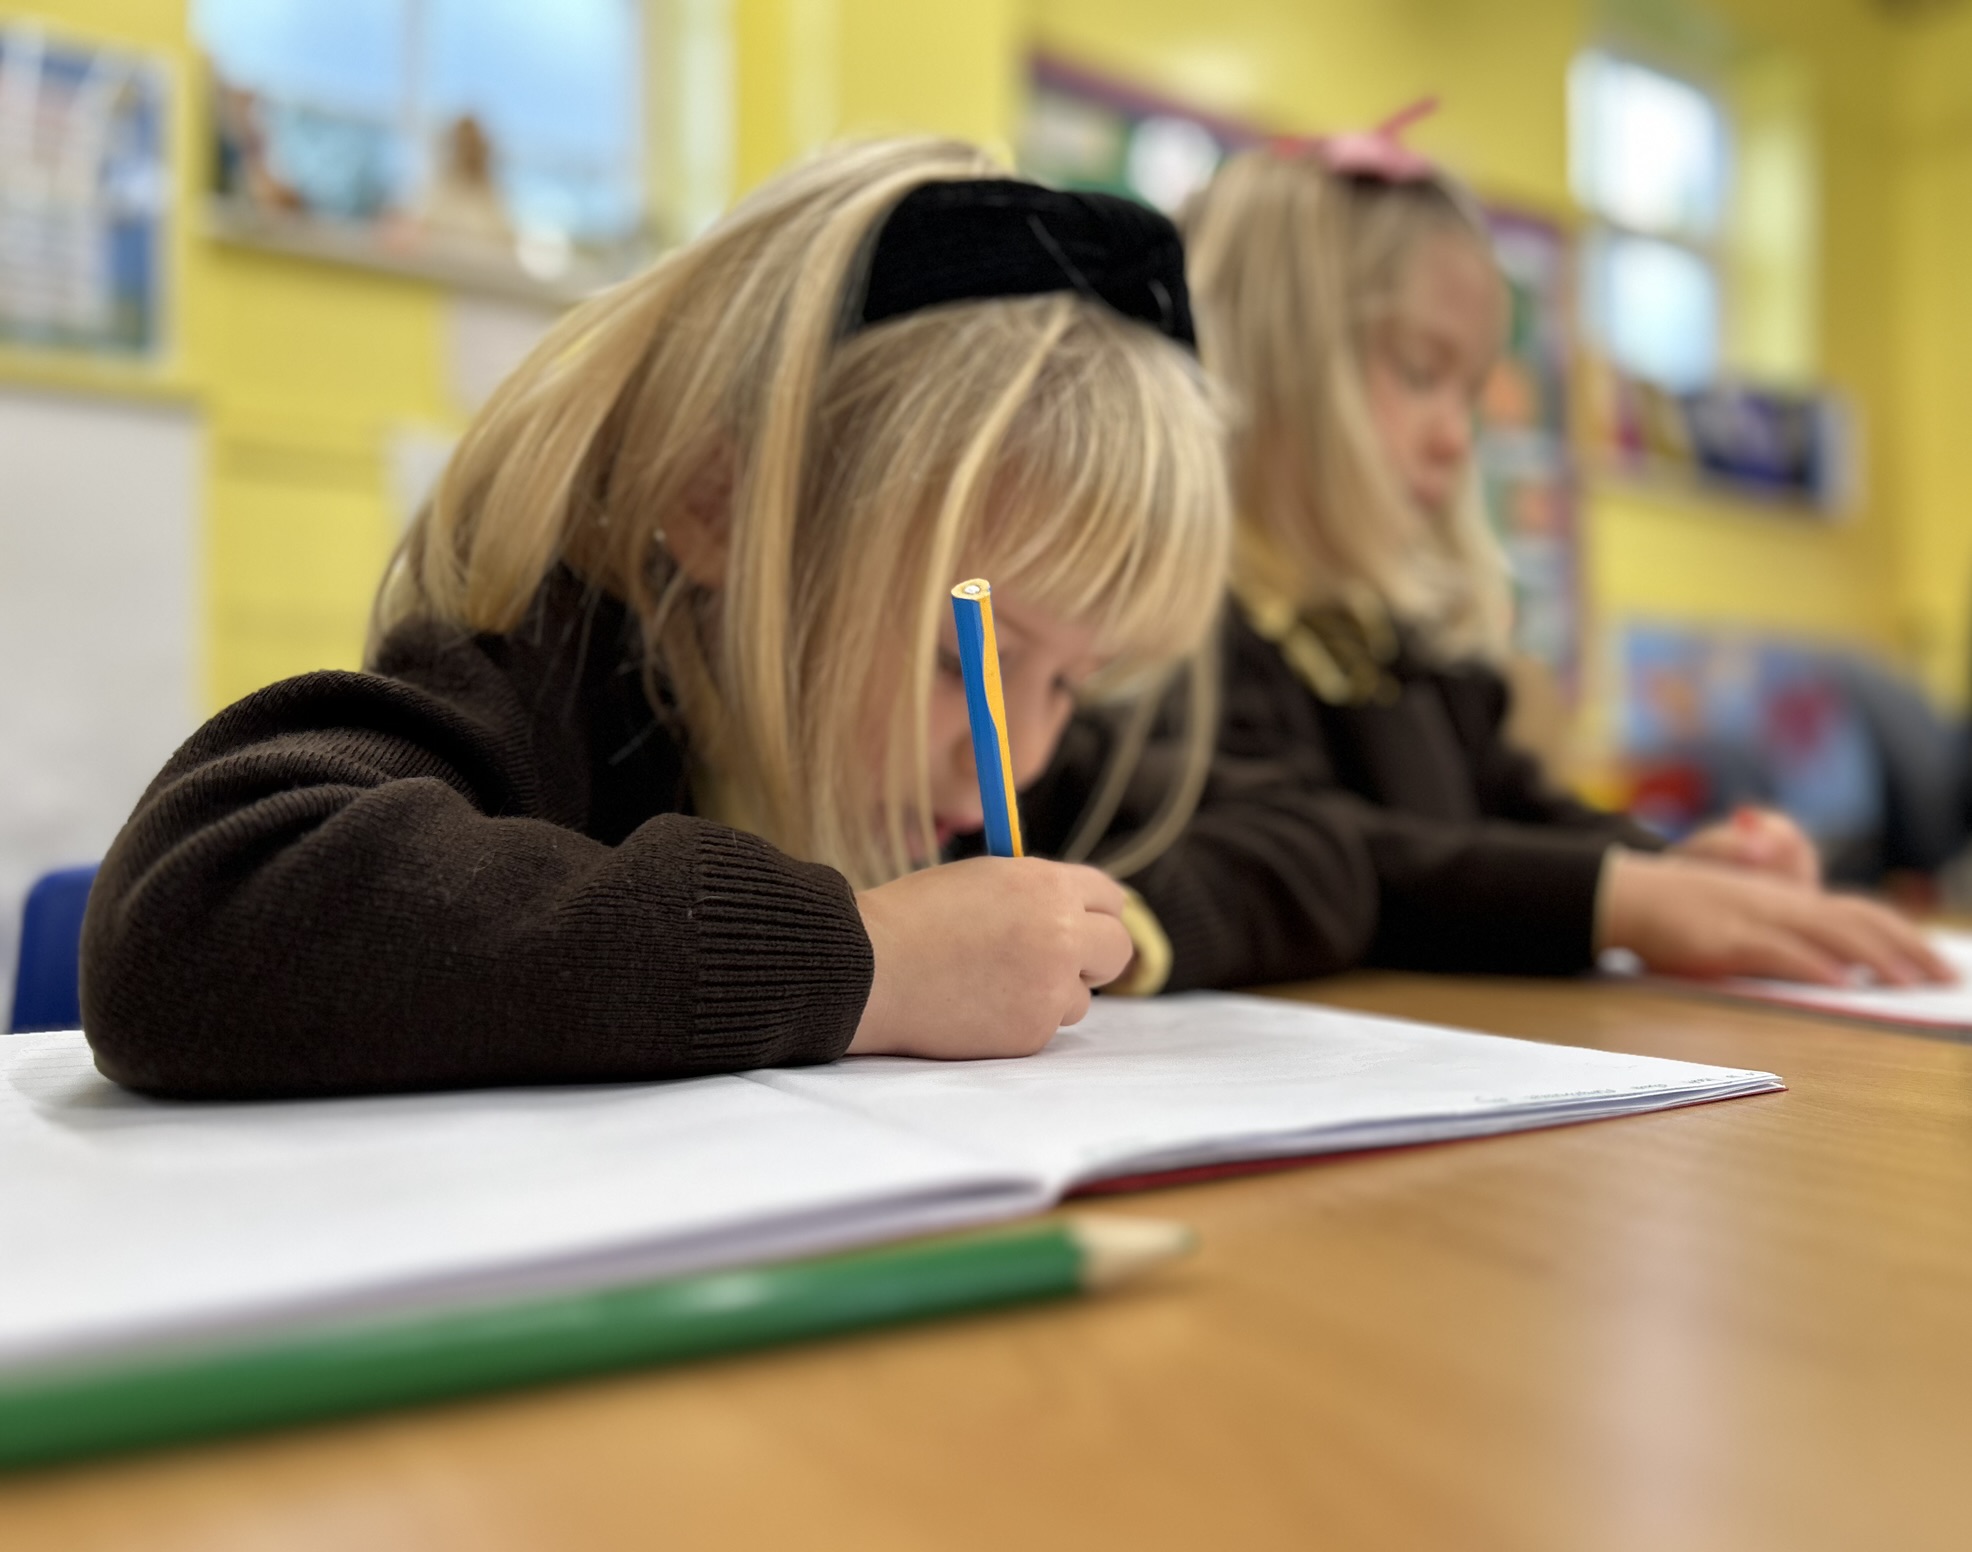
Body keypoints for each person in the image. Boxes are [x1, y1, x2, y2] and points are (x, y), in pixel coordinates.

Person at [78, 138, 1243, 1098]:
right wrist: (873, 960)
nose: (1022, 749)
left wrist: (1094, 931)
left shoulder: (951, 764)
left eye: (1071, 680)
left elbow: (1288, 840)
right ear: (718, 506)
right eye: (962, 659)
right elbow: (195, 913)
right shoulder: (550, 667)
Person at [1173, 105, 1950, 988]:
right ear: (1268, 361)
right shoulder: (1183, 633)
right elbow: (1315, 861)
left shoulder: (1399, 641)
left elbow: (1513, 814)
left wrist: (1671, 870)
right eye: (1420, 374)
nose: (1456, 439)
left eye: (1470, 395)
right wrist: (1617, 899)